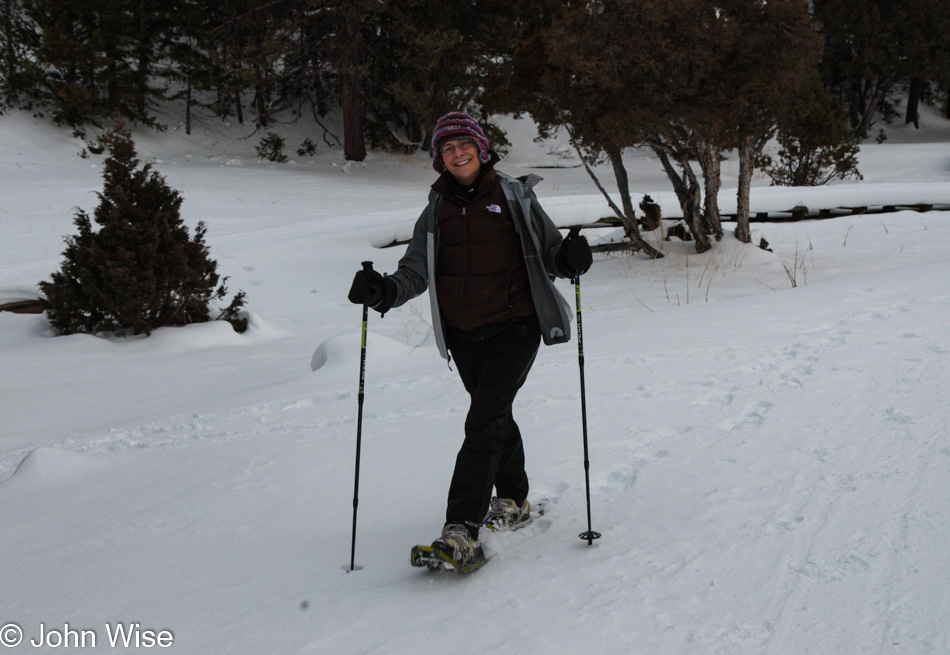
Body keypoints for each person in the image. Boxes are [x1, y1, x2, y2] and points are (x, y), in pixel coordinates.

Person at [347, 111, 592, 569]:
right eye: (447, 148)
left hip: (515, 326)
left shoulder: (515, 196)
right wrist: (383, 291)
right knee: (494, 414)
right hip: (463, 336)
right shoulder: (435, 211)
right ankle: (514, 499)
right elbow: (414, 272)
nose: (458, 154)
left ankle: (460, 529)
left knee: (483, 422)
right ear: (440, 159)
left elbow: (552, 255)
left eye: (465, 145)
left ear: (482, 149)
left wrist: (571, 258)